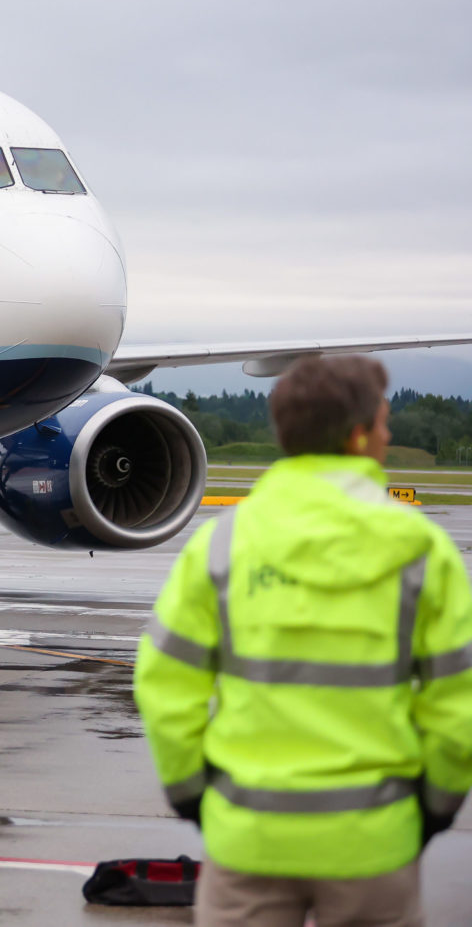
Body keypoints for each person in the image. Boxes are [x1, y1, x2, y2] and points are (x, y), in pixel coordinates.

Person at [134, 355, 472, 927]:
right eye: (385, 423)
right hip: (373, 842)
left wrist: (193, 794)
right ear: (361, 435)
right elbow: (456, 703)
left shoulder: (225, 542)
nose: (388, 436)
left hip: (249, 838)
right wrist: (435, 807)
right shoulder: (420, 548)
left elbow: (164, 680)